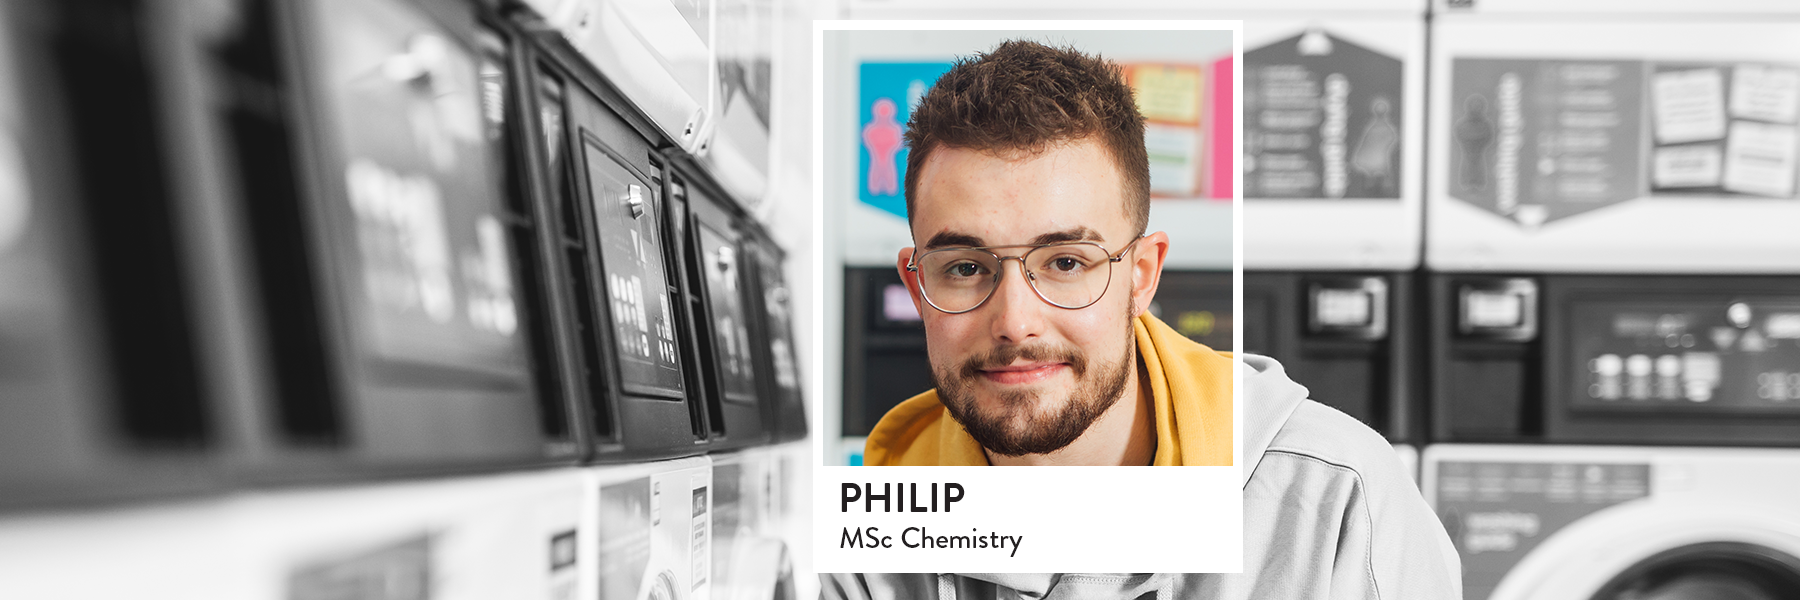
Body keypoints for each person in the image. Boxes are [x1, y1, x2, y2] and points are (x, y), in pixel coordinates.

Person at [841, 40, 1460, 598]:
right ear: (918, 286)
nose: (1016, 322)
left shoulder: (1339, 502)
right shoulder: (877, 530)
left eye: (1065, 262)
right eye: (966, 268)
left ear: (1141, 275)